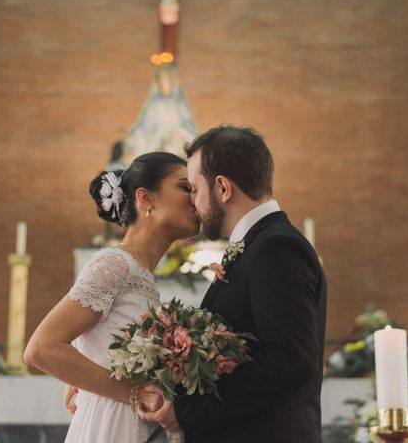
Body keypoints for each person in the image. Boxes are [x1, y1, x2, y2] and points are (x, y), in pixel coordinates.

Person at [139, 126, 327, 442]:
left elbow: (291, 361)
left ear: (224, 188)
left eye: (195, 189)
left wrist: (188, 410)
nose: (193, 203)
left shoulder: (276, 248)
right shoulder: (259, 245)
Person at [24, 152, 199, 442]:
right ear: (146, 199)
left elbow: (99, 340)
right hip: (112, 426)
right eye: (185, 187)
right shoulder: (115, 263)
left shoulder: (139, 273)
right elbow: (41, 348)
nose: (194, 197)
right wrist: (135, 392)